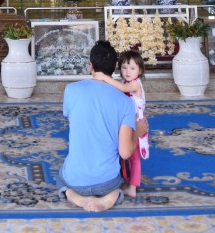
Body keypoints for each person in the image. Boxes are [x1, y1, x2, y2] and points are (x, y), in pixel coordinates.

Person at [58, 40, 147, 212]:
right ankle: (111, 197)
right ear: (114, 69)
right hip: (107, 183)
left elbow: (75, 125)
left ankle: (74, 196)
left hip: (76, 181)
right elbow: (125, 152)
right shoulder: (125, 102)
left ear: (90, 65)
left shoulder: (70, 90)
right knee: (117, 184)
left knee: (62, 178)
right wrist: (138, 132)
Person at [97, 49, 149, 198]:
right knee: (124, 153)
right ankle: (125, 180)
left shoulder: (134, 84)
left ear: (139, 71)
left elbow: (123, 89)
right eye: (124, 67)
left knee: (135, 157)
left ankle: (133, 187)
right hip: (125, 125)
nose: (127, 71)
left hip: (137, 125)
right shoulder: (122, 82)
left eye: (132, 68)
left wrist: (104, 77)